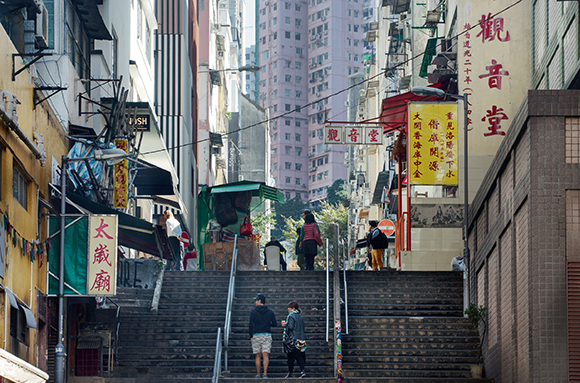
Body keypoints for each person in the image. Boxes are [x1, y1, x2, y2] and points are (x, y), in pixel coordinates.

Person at [249, 293, 277, 378]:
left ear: (260, 301)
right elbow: (275, 324)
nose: (255, 302)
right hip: (266, 334)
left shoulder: (253, 311)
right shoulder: (270, 311)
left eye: (256, 300)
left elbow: (250, 325)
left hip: (256, 334)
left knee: (257, 355)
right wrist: (268, 324)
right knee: (265, 355)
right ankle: (265, 373)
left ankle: (258, 374)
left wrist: (251, 335)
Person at [282, 301, 306, 378]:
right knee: (299, 355)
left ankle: (290, 372)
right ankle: (302, 371)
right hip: (301, 339)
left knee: (291, 357)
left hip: (293, 340)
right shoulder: (300, 316)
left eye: (289, 307)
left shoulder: (291, 316)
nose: (288, 309)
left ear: (293, 308)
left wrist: (285, 324)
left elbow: (290, 327)